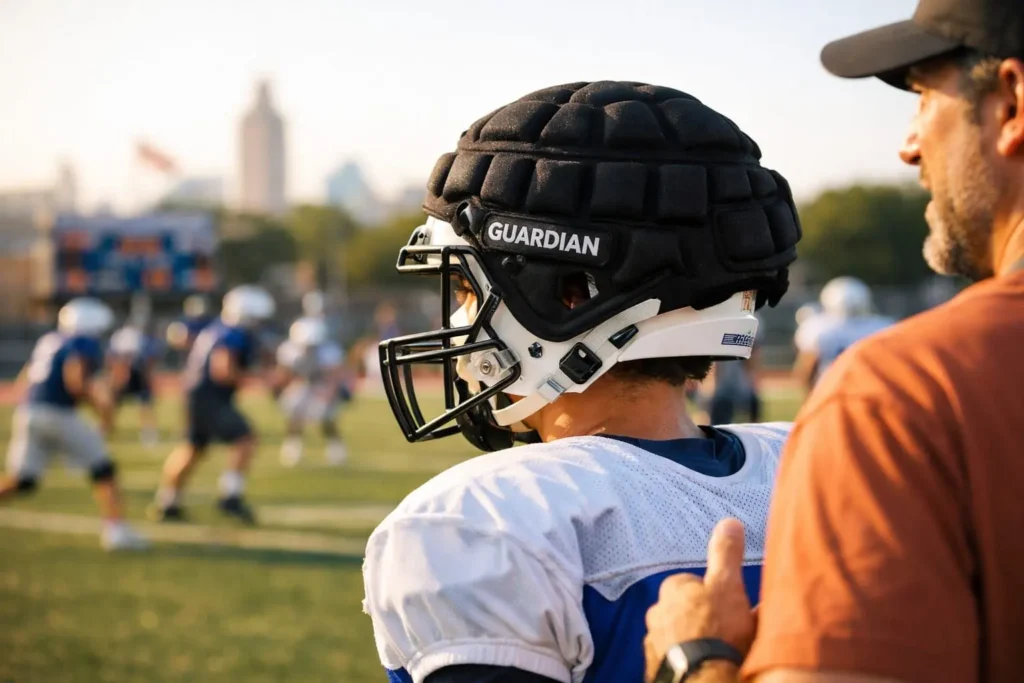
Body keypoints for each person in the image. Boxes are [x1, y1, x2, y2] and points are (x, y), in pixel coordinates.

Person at [361, 80, 802, 683]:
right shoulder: (822, 470)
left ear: (572, 296)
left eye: (468, 289)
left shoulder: (483, 523)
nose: (461, 321)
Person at [643, 0, 1024, 681]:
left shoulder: (906, 393)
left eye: (920, 98)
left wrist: (692, 657)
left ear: (1012, 105)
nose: (909, 144)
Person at [0, 298, 147, 551]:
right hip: (57, 413)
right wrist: (102, 410)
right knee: (104, 469)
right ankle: (117, 531)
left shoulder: (50, 340)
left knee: (22, 480)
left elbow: (25, 378)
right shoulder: (82, 341)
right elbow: (76, 381)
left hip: (30, 412)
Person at [149, 285, 275, 525]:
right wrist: (256, 380)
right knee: (245, 438)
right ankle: (230, 496)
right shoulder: (232, 333)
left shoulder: (218, 329)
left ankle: (167, 502)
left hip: (196, 393)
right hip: (210, 396)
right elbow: (223, 370)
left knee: (193, 448)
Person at [790, 276, 894, 391]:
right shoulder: (881, 326)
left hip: (830, 390)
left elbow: (807, 368)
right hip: (870, 389)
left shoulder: (818, 327)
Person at [273, 315, 350, 467]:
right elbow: (283, 374)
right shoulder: (288, 350)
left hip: (322, 385)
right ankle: (293, 445)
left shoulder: (329, 351)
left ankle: (335, 446)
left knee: (326, 416)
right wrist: (287, 388)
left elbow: (335, 376)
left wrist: (329, 393)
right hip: (300, 384)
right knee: (294, 411)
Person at [107, 319, 161, 447]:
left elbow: (111, 358)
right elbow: (149, 359)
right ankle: (108, 428)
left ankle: (107, 429)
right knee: (143, 404)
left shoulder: (120, 337)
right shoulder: (137, 338)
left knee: (144, 404)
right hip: (132, 372)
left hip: (130, 373)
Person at [706, 312, 764, 425]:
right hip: (731, 383)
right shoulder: (752, 318)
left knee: (717, 426)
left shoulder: (718, 316)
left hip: (727, 383)